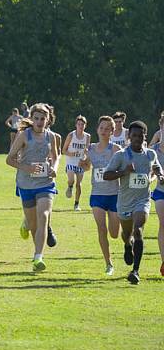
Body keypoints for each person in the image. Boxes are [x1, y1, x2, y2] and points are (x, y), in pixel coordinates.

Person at [102, 120, 162, 285]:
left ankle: (135, 271)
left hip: (142, 200)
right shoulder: (121, 155)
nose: (136, 138)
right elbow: (106, 175)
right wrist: (124, 171)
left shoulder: (150, 154)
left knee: (138, 231)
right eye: (133, 135)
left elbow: (157, 168)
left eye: (140, 135)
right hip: (124, 202)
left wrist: (160, 175)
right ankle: (128, 246)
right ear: (129, 136)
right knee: (127, 234)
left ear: (145, 136)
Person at [6, 102, 59, 272]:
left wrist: (54, 169)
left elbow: (56, 156)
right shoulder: (24, 136)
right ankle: (26, 224)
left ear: (48, 120)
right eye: (36, 118)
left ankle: (38, 258)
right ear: (31, 119)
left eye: (43, 118)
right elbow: (9, 159)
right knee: (33, 224)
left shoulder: (51, 137)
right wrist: (26, 167)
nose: (39, 121)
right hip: (26, 184)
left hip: (45, 183)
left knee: (43, 215)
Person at [80, 115, 120, 276]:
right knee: (101, 228)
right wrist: (83, 164)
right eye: (101, 128)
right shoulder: (90, 149)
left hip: (114, 195)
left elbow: (123, 168)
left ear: (112, 131)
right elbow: (88, 166)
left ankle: (127, 242)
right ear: (97, 129)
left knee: (115, 233)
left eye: (107, 129)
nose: (104, 131)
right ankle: (108, 263)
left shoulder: (115, 149)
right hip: (97, 194)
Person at [62, 115, 91, 212]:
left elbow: (87, 150)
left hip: (80, 162)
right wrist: (72, 153)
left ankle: (76, 204)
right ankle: (70, 187)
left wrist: (86, 158)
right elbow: (63, 150)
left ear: (85, 126)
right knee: (71, 180)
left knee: (79, 184)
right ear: (76, 125)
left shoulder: (87, 136)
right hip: (70, 160)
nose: (81, 126)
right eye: (79, 124)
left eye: (82, 124)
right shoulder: (71, 135)